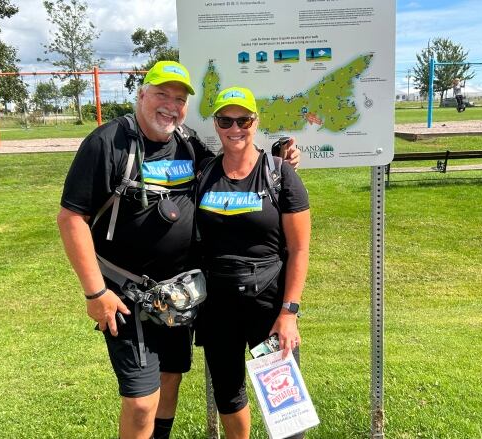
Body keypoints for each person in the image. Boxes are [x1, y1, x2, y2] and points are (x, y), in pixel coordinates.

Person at [57, 62, 298, 439]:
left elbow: (232, 166)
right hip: (127, 296)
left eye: (179, 99)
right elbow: (71, 218)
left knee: (169, 380)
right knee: (140, 401)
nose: (171, 105)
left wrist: (276, 159)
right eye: (161, 95)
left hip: (179, 296)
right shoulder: (108, 142)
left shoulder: (186, 143)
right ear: (141, 95)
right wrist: (95, 292)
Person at [195, 87, 311, 439]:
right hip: (217, 306)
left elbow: (300, 249)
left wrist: (289, 313)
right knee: (228, 396)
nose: (235, 128)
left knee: (286, 405)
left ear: (255, 121)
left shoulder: (279, 174)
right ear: (215, 124)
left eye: (243, 119)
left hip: (268, 305)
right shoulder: (202, 174)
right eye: (226, 120)